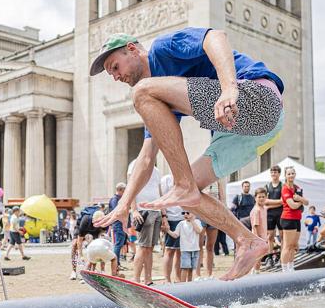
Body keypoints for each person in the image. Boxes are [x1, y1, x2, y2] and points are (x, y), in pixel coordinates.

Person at [91, 29, 284, 280]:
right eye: (112, 74)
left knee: (141, 92)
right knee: (187, 196)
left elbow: (216, 37)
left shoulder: (162, 48)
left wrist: (229, 89)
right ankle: (247, 240)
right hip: (246, 131)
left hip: (257, 99)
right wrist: (124, 203)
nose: (116, 77)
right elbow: (147, 157)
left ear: (132, 49)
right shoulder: (157, 101)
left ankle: (184, 185)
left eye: (115, 67)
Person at [127, 158, 162, 285]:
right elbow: (130, 188)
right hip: (143, 211)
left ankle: (148, 280)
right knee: (142, 247)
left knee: (150, 248)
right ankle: (136, 280)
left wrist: (163, 214)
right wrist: (134, 210)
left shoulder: (156, 170)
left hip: (157, 211)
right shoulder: (135, 164)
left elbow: (159, 191)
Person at [280, 165, 308, 270]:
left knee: (294, 245)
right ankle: (284, 269)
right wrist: (301, 201)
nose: (291, 175)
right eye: (289, 174)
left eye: (292, 173)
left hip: (297, 219)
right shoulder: (285, 189)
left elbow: (307, 202)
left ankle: (291, 267)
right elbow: (292, 205)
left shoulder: (297, 188)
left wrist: (300, 199)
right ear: (285, 176)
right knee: (287, 246)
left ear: (295, 174)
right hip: (288, 219)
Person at [166, 211, 203, 283]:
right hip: (185, 250)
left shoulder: (197, 222)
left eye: (188, 213)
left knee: (191, 269)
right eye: (183, 213)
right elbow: (175, 235)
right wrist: (168, 230)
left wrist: (192, 221)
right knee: (185, 268)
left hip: (195, 249)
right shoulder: (181, 223)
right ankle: (183, 284)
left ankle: (189, 283)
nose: (185, 214)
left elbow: (198, 231)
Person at [160, 174, 182, 283]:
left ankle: (178, 278)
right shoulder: (166, 179)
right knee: (169, 250)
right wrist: (164, 217)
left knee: (180, 251)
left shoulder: (185, 177)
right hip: (171, 217)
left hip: (184, 217)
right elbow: (162, 199)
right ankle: (167, 279)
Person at [264, 165, 283, 259]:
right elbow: (265, 201)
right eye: (272, 172)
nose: (273, 174)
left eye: (275, 172)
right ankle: (270, 257)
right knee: (270, 237)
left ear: (279, 174)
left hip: (280, 214)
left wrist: (269, 205)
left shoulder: (282, 185)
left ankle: (282, 257)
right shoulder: (267, 186)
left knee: (282, 237)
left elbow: (283, 201)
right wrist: (278, 202)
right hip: (270, 215)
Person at [107, 182, 128, 269]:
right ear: (120, 190)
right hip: (118, 224)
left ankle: (117, 264)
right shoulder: (115, 200)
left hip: (120, 224)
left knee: (119, 244)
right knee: (118, 245)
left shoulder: (116, 199)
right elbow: (118, 212)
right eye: (124, 191)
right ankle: (116, 264)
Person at [249, 187, 268, 270]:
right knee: (257, 257)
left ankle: (257, 271)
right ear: (255, 198)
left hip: (263, 237)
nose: (261, 198)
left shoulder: (264, 209)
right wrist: (258, 239)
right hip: (258, 238)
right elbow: (255, 226)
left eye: (263, 197)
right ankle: (254, 272)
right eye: (259, 197)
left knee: (260, 257)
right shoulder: (256, 210)